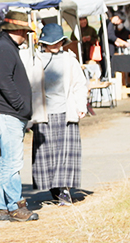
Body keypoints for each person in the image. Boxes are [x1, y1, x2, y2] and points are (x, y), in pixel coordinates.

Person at [0, 9, 38, 222]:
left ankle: (3, 207)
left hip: (4, 114)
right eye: (24, 31)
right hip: (8, 115)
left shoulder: (4, 47)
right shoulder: (5, 49)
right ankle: (16, 206)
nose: (26, 35)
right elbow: (5, 83)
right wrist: (21, 107)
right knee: (12, 164)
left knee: (6, 163)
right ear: (16, 29)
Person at [30, 24, 88, 207]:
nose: (55, 45)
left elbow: (79, 83)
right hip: (44, 113)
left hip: (65, 111)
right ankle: (54, 190)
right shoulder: (36, 59)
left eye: (58, 42)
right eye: (51, 42)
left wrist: (81, 105)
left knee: (65, 153)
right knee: (47, 154)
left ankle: (64, 191)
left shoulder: (69, 59)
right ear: (44, 43)